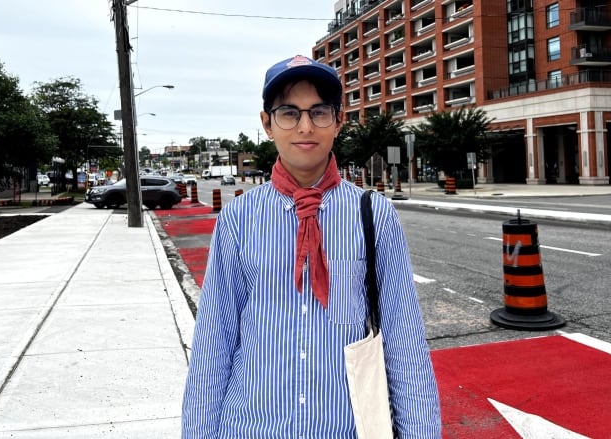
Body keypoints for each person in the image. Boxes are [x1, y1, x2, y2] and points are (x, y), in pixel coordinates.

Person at [181, 55, 441, 438]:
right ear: (267, 124)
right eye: (289, 113)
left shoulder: (374, 216)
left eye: (319, 112)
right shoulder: (238, 219)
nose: (305, 126)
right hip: (251, 427)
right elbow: (213, 342)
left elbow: (405, 342)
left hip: (346, 426)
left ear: (338, 121)